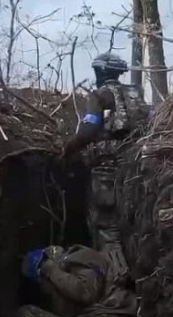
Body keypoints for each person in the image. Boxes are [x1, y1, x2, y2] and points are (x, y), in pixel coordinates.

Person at [62, 53, 149, 283]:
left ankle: (116, 281)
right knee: (130, 223)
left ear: (100, 72)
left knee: (105, 226)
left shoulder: (100, 96)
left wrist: (68, 148)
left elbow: (90, 129)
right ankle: (138, 273)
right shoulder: (135, 94)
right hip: (135, 166)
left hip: (106, 170)